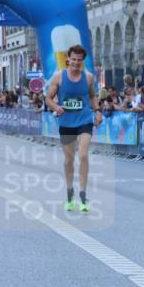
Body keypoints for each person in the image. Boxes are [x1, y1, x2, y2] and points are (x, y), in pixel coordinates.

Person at [44, 44, 101, 212]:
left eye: (79, 60)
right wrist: (56, 107)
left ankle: (83, 195)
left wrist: (97, 111)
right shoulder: (59, 77)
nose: (76, 63)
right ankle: (70, 192)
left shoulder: (88, 77)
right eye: (73, 59)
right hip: (66, 122)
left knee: (83, 155)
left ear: (83, 61)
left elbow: (92, 96)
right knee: (69, 159)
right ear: (67, 59)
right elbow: (48, 98)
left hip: (84, 120)